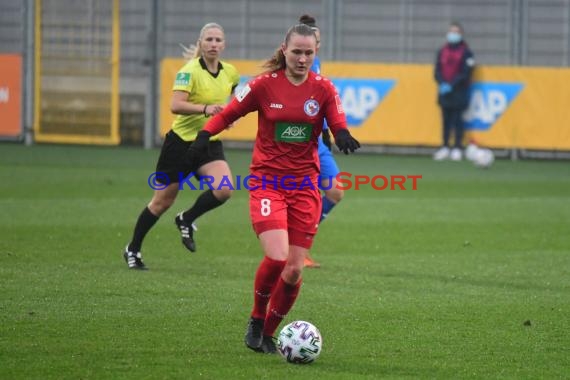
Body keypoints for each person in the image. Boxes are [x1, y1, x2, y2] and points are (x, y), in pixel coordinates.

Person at [190, 24, 360, 353]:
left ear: (315, 53)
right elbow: (228, 114)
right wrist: (202, 136)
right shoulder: (263, 86)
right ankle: (256, 317)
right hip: (268, 182)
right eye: (297, 51)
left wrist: (341, 134)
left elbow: (337, 120)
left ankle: (268, 333)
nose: (302, 58)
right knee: (278, 256)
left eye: (309, 53)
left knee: (295, 270)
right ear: (284, 49)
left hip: (305, 187)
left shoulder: (324, 88)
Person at [123, 22, 240, 269]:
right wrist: (206, 109)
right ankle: (132, 249)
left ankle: (186, 219)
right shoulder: (189, 71)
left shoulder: (230, 72)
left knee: (224, 189)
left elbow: (232, 100)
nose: (213, 44)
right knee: (162, 202)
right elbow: (175, 105)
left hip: (208, 143)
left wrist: (227, 117)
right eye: (208, 39)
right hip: (180, 145)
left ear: (224, 44)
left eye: (218, 40)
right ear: (200, 43)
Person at [297, 14, 344, 269]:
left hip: (318, 141)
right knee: (303, 196)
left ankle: (301, 247)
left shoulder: (317, 65)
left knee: (335, 192)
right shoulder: (292, 69)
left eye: (317, 40)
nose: (314, 44)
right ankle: (294, 249)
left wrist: (327, 131)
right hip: (298, 143)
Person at [433, 21, 475, 161]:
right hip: (444, 91)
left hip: (459, 91)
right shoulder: (442, 51)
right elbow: (437, 70)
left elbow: (467, 72)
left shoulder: (466, 52)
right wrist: (442, 83)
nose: (453, 34)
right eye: (451, 31)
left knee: (458, 119)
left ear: (461, 34)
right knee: (445, 120)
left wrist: (452, 84)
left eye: (456, 32)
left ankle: (457, 147)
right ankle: (445, 146)